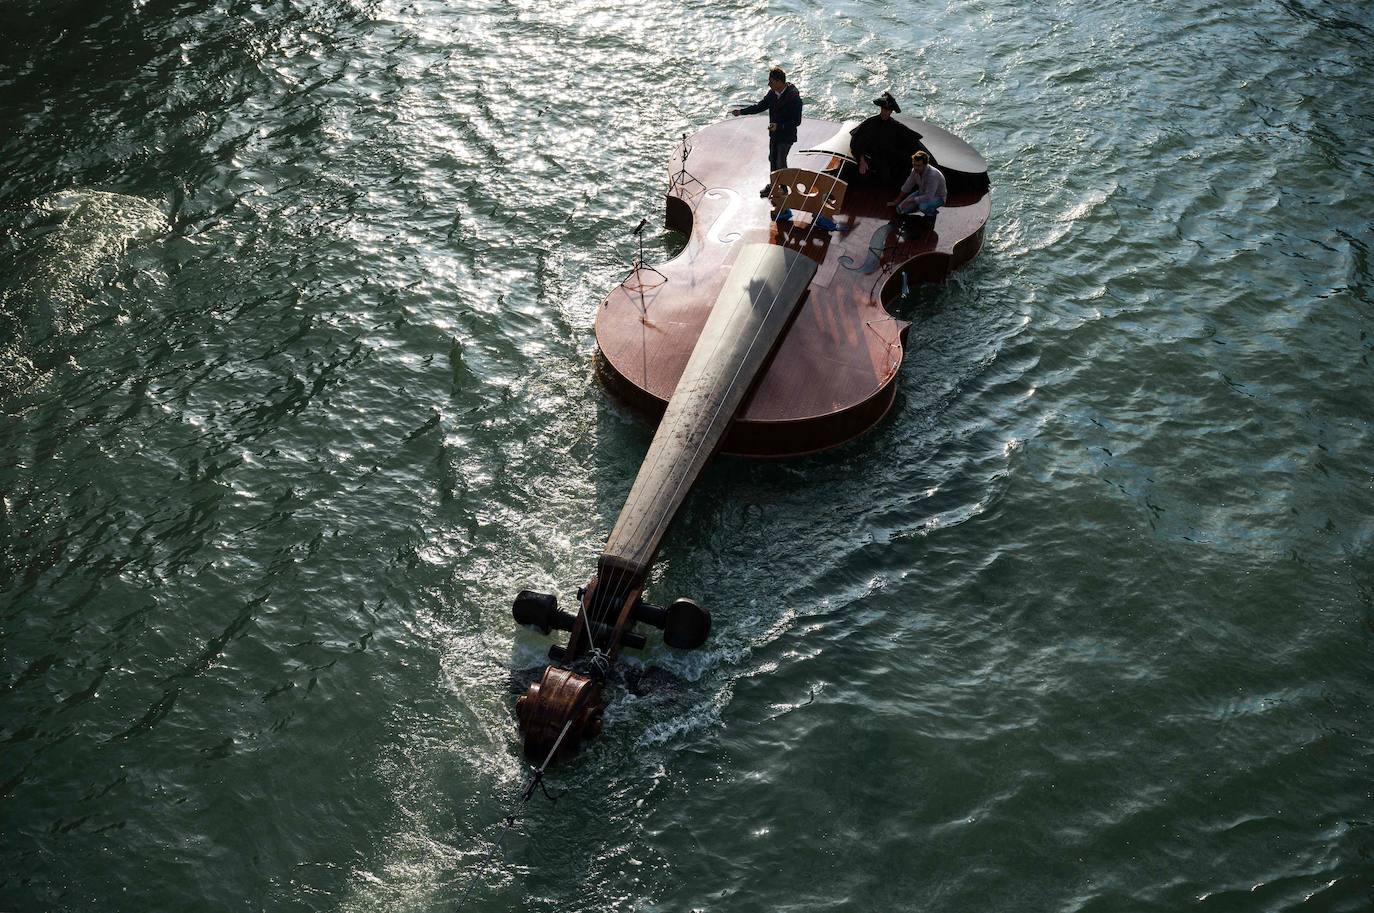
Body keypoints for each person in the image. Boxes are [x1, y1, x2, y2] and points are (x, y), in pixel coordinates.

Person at [730, 66, 803, 197]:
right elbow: (759, 107)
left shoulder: (794, 98)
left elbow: (796, 122)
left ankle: (784, 188)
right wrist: (741, 112)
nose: (769, 84)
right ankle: (774, 185)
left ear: (779, 82)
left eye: (771, 81)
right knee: (772, 159)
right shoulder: (772, 94)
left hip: (786, 136)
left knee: (780, 161)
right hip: (774, 135)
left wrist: (779, 126)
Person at [848, 92, 923, 184]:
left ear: (891, 112)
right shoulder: (870, 123)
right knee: (862, 177)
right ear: (881, 108)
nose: (885, 112)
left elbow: (911, 140)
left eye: (887, 110)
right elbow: (856, 141)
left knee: (889, 179)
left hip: (887, 161)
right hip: (870, 158)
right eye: (883, 109)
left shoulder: (896, 126)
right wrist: (861, 159)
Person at [891, 150, 947, 218]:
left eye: (918, 165)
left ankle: (932, 213)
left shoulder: (933, 175)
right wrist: (898, 199)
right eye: (914, 164)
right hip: (922, 192)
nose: (915, 168)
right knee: (900, 209)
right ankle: (919, 204)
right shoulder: (914, 171)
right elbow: (907, 185)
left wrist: (911, 200)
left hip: (937, 197)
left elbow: (928, 197)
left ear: (925, 165)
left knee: (923, 207)